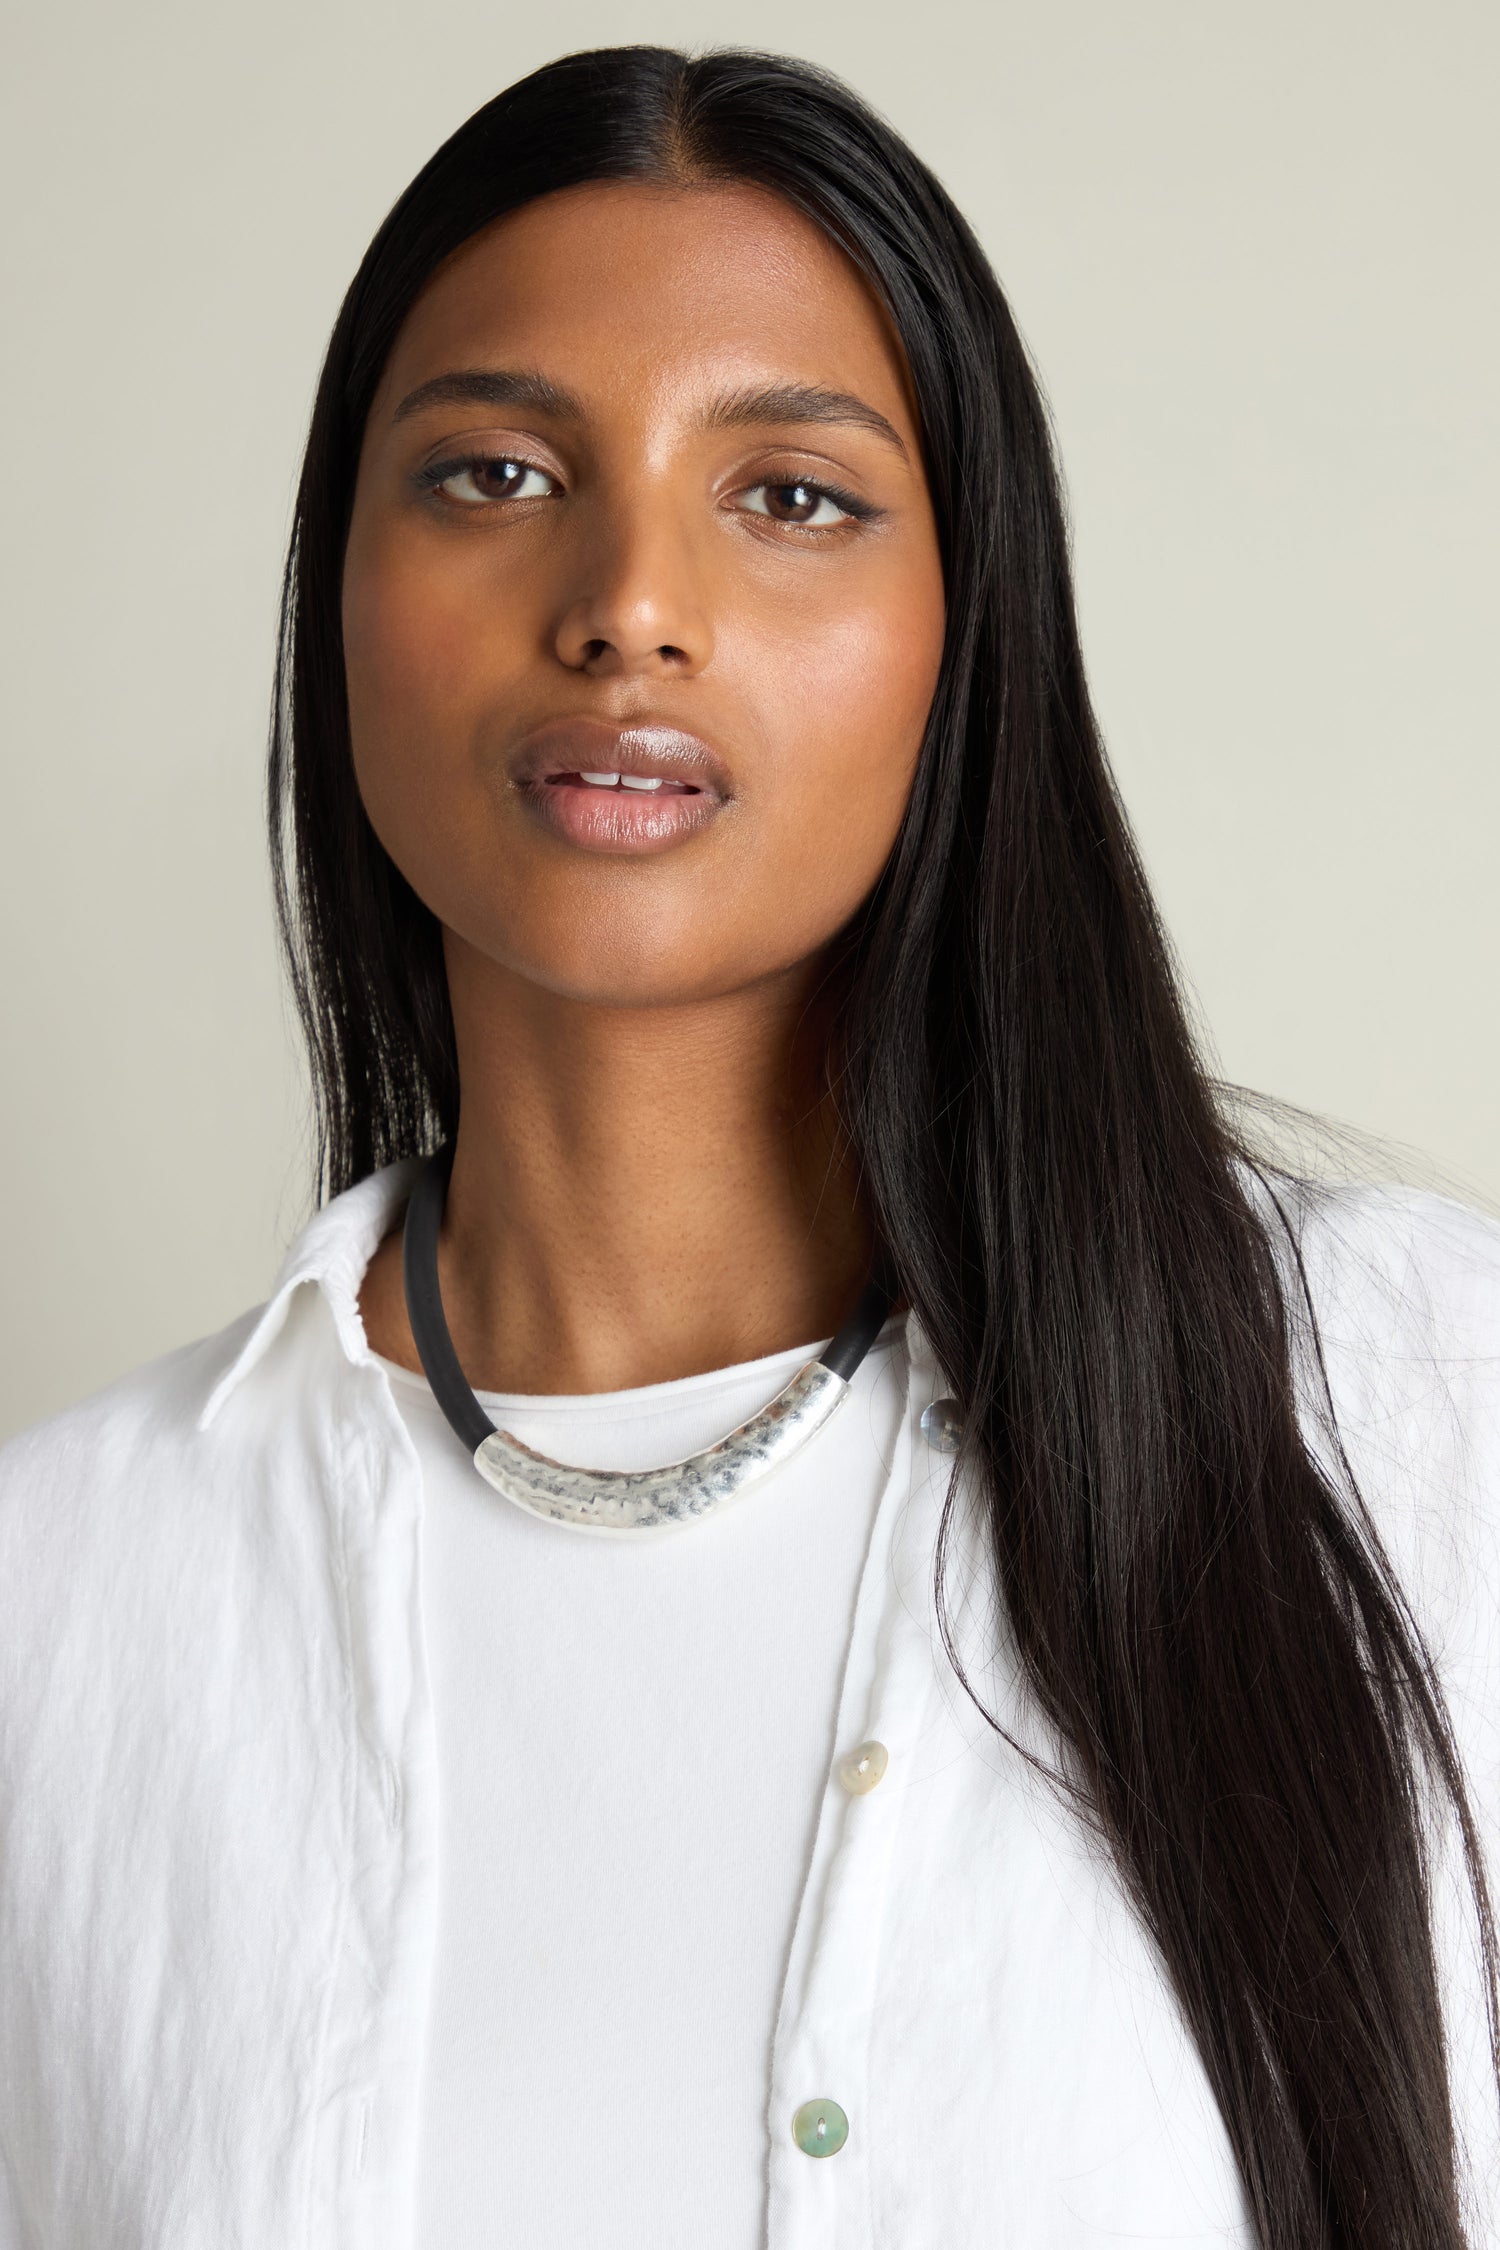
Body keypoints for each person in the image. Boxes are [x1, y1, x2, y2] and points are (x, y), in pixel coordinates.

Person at [0, 44, 1495, 2250]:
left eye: (788, 493)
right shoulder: (60, 1609)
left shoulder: (1415, 1401)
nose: (629, 602)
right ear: (340, 600)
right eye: (495, 473)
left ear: (963, 631)